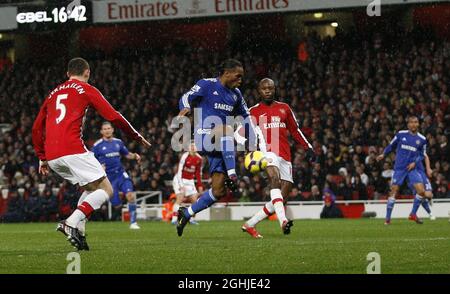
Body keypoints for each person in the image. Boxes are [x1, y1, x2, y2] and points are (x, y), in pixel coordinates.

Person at [32, 57, 150, 250]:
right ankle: (71, 223)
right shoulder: (87, 89)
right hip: (72, 149)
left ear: (68, 74)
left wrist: (42, 156)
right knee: (106, 190)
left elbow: (37, 128)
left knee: (91, 189)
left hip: (52, 156)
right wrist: (135, 136)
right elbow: (113, 115)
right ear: (87, 73)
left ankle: (80, 232)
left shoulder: (52, 94)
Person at [175, 59, 259, 237]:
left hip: (221, 144)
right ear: (226, 73)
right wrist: (185, 107)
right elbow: (186, 97)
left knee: (218, 191)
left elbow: (246, 118)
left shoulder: (236, 95)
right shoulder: (206, 85)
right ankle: (233, 174)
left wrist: (252, 144)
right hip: (204, 137)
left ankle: (187, 213)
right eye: (238, 77)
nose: (240, 81)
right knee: (227, 128)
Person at [240, 78, 316, 238]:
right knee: (274, 179)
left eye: (270, 88)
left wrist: (307, 147)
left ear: (274, 90)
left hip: (285, 156)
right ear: (258, 91)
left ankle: (249, 224)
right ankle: (283, 220)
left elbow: (295, 130)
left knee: (283, 196)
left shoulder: (284, 108)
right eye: (264, 88)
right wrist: (247, 144)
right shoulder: (253, 111)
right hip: (266, 153)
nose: (267, 91)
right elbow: (239, 132)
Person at [376, 115, 427, 225]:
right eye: (411, 122)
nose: (413, 124)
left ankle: (413, 214)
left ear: (418, 124)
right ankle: (388, 219)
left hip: (412, 169)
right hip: (399, 168)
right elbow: (391, 146)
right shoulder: (400, 134)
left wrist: (415, 162)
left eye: (416, 122)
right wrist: (383, 154)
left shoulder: (422, 139)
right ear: (408, 124)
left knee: (422, 192)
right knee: (393, 192)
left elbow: (422, 155)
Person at [92, 121, 142, 229]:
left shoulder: (118, 142)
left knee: (130, 195)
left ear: (112, 130)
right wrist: (99, 167)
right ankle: (119, 201)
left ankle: (133, 223)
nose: (107, 130)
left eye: (109, 128)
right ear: (101, 131)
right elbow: (91, 161)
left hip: (121, 174)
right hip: (108, 179)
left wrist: (135, 156)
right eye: (104, 129)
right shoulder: (97, 146)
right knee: (116, 204)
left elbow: (127, 154)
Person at [171, 141, 203, 225]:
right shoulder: (185, 156)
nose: (192, 147)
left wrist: (200, 185)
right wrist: (181, 186)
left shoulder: (199, 159)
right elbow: (179, 171)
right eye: (191, 146)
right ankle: (174, 219)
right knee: (180, 197)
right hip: (179, 179)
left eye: (194, 146)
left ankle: (191, 219)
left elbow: (198, 174)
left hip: (190, 181)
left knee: (195, 201)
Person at [408, 153, 436, 220]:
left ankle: (429, 199)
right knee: (421, 195)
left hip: (421, 173)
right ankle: (430, 214)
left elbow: (426, 156)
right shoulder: (403, 150)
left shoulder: (418, 146)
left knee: (429, 195)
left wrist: (428, 168)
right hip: (412, 175)